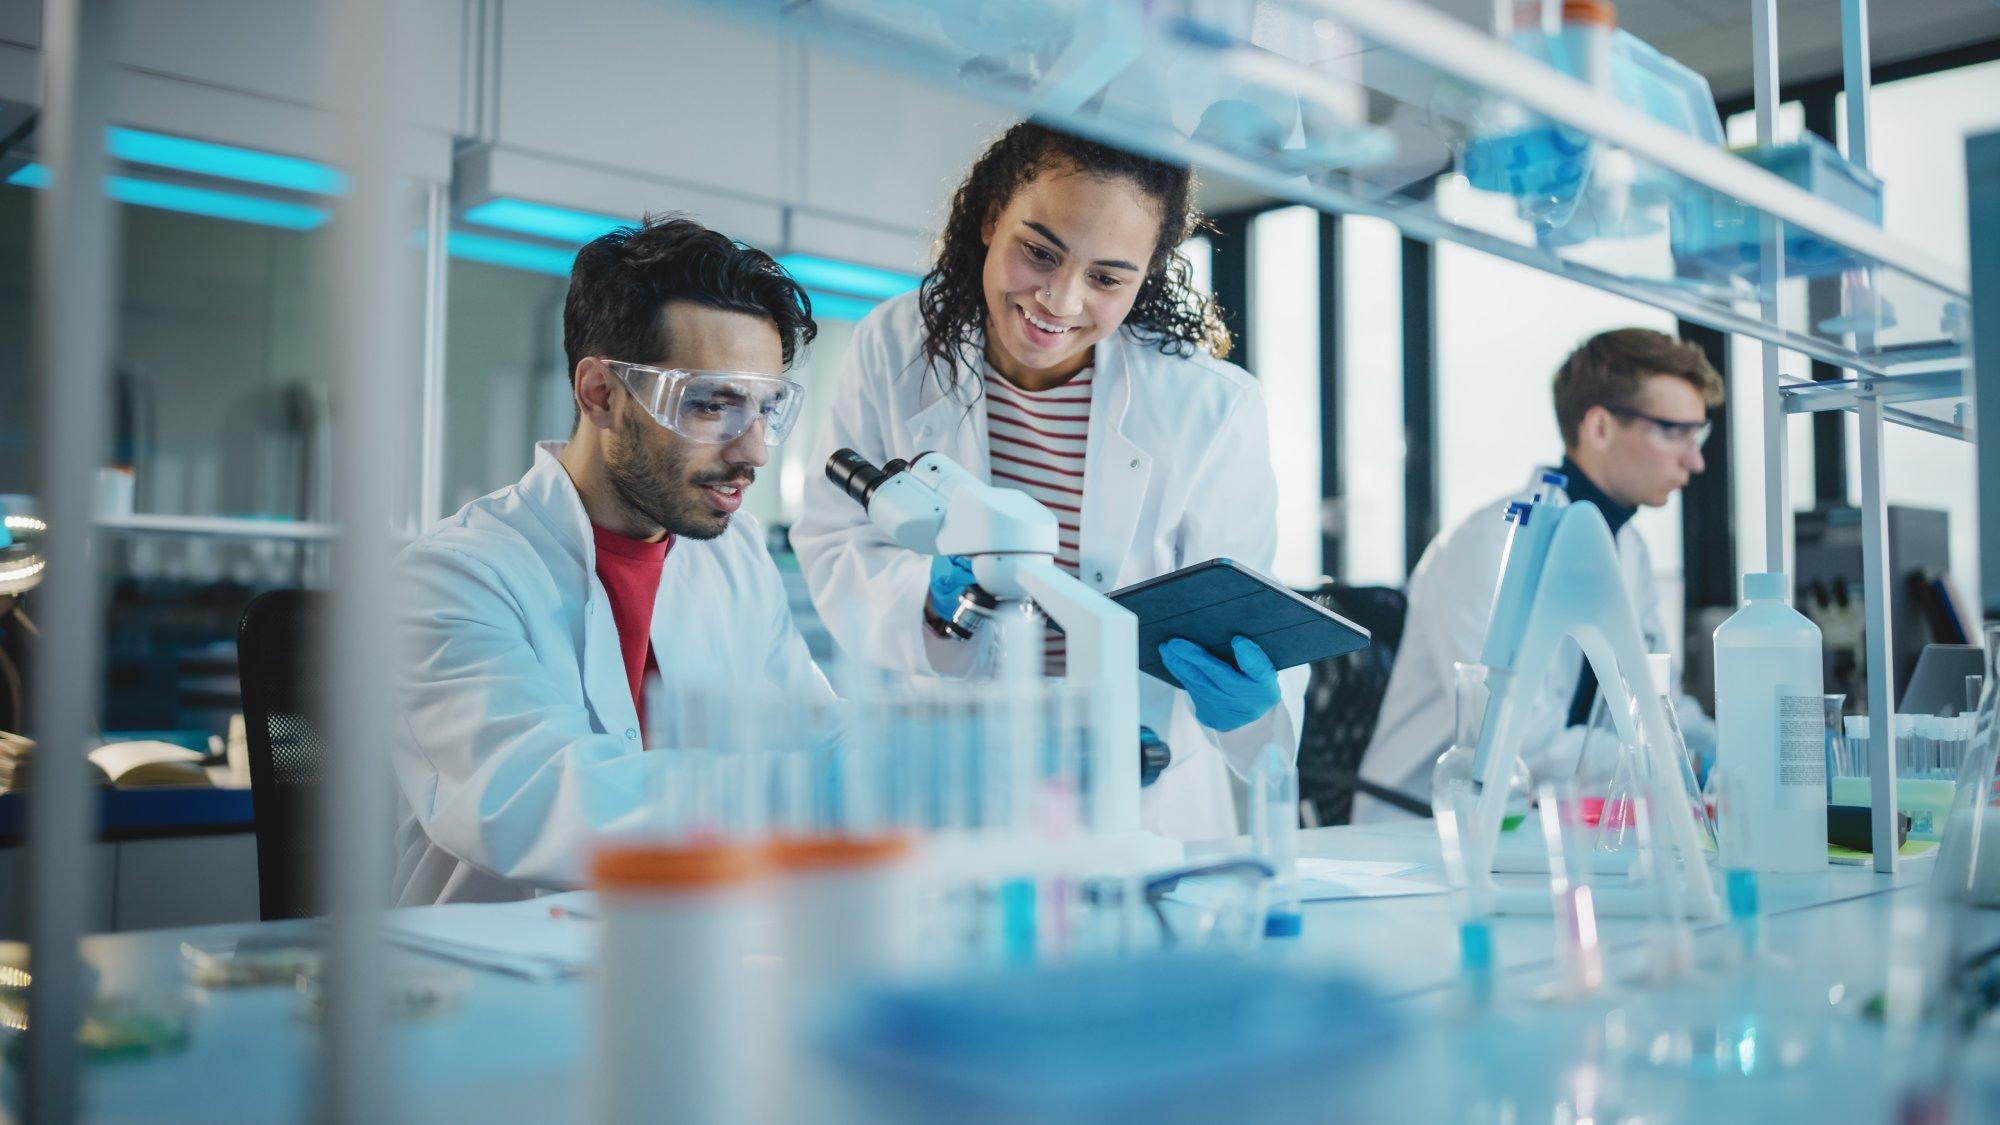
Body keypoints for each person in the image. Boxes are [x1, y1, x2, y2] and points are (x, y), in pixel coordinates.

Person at [789, 123, 1306, 840]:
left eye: (1107, 278)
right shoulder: (894, 347)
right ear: (991, 215)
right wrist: (934, 605)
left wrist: (1252, 705)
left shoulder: (1211, 406)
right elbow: (833, 539)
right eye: (1039, 252)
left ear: (1147, 274)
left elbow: (1243, 604)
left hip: (1144, 802)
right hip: (952, 783)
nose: (1060, 301)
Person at [391, 216, 831, 905]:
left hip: (691, 958)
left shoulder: (737, 557)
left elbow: (816, 731)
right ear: (599, 393)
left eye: (767, 408)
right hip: (490, 981)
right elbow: (538, 794)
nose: (755, 452)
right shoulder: (455, 576)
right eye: (712, 404)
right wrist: (798, 791)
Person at [1354, 328, 1723, 822]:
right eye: (1674, 431)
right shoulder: (1492, 544)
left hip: (1549, 821)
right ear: (1599, 429)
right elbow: (1520, 741)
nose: (1694, 460)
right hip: (1421, 832)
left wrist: (1729, 757)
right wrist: (1672, 766)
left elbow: (1660, 707)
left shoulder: (1628, 551)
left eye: (1698, 436)